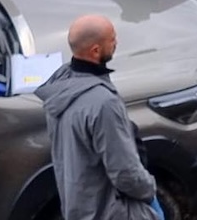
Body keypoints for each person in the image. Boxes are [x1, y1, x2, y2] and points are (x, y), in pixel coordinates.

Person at [37, 15, 163, 220]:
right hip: (111, 210)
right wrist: (150, 190)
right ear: (95, 51)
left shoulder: (61, 84)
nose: (116, 42)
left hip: (79, 206)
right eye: (112, 39)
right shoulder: (103, 103)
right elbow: (125, 173)